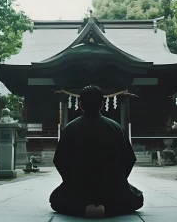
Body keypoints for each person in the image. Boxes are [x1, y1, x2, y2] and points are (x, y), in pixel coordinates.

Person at [49, 85, 144, 219]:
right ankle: (108, 208)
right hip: (111, 188)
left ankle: (83, 208)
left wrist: (72, 181)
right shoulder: (116, 128)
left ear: (80, 105)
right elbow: (129, 159)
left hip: (78, 188)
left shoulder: (69, 129)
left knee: (56, 200)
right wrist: (118, 181)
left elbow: (59, 160)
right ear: (102, 105)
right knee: (137, 198)